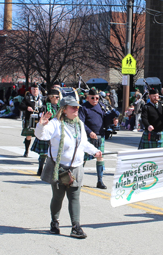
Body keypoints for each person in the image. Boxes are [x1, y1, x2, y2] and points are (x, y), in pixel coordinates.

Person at [35, 96, 102, 239]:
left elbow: (83, 143)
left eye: (77, 107)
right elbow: (42, 136)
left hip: (76, 166)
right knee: (58, 197)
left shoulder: (79, 124)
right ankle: (54, 222)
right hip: (59, 167)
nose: (76, 109)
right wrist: (41, 125)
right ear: (64, 109)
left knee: (75, 197)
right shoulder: (55, 124)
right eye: (73, 107)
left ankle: (75, 226)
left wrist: (94, 152)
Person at [79, 89, 108, 189]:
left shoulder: (102, 106)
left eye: (97, 98)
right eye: (92, 98)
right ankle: (79, 179)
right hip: (87, 136)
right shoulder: (83, 108)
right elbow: (81, 122)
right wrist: (89, 132)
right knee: (82, 159)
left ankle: (100, 181)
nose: (95, 100)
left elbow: (105, 120)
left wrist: (113, 121)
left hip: (100, 135)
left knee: (100, 156)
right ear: (88, 98)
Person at [30, 89, 61, 176]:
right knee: (43, 153)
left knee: (56, 152)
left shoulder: (61, 107)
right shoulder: (44, 107)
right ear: (51, 97)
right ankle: (40, 169)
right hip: (47, 130)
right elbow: (41, 117)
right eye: (56, 97)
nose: (58, 99)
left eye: (59, 97)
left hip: (56, 132)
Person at [20, 83, 43, 157]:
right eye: (33, 89)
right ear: (31, 90)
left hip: (40, 119)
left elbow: (46, 106)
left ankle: (41, 152)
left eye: (36, 89)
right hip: (30, 119)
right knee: (29, 135)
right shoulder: (27, 98)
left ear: (38, 90)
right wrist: (27, 108)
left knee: (41, 136)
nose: (35, 91)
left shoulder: (42, 98)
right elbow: (20, 106)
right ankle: (26, 150)